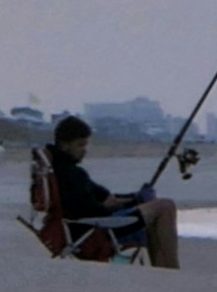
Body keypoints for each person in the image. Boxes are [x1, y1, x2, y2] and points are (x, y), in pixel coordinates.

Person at [37, 114, 181, 269]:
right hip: (98, 227)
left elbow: (106, 198)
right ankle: (171, 270)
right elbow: (93, 208)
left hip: (89, 224)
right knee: (166, 206)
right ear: (65, 145)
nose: (84, 151)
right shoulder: (70, 174)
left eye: (85, 145)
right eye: (80, 145)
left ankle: (163, 271)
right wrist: (127, 202)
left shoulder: (63, 169)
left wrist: (134, 198)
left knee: (155, 209)